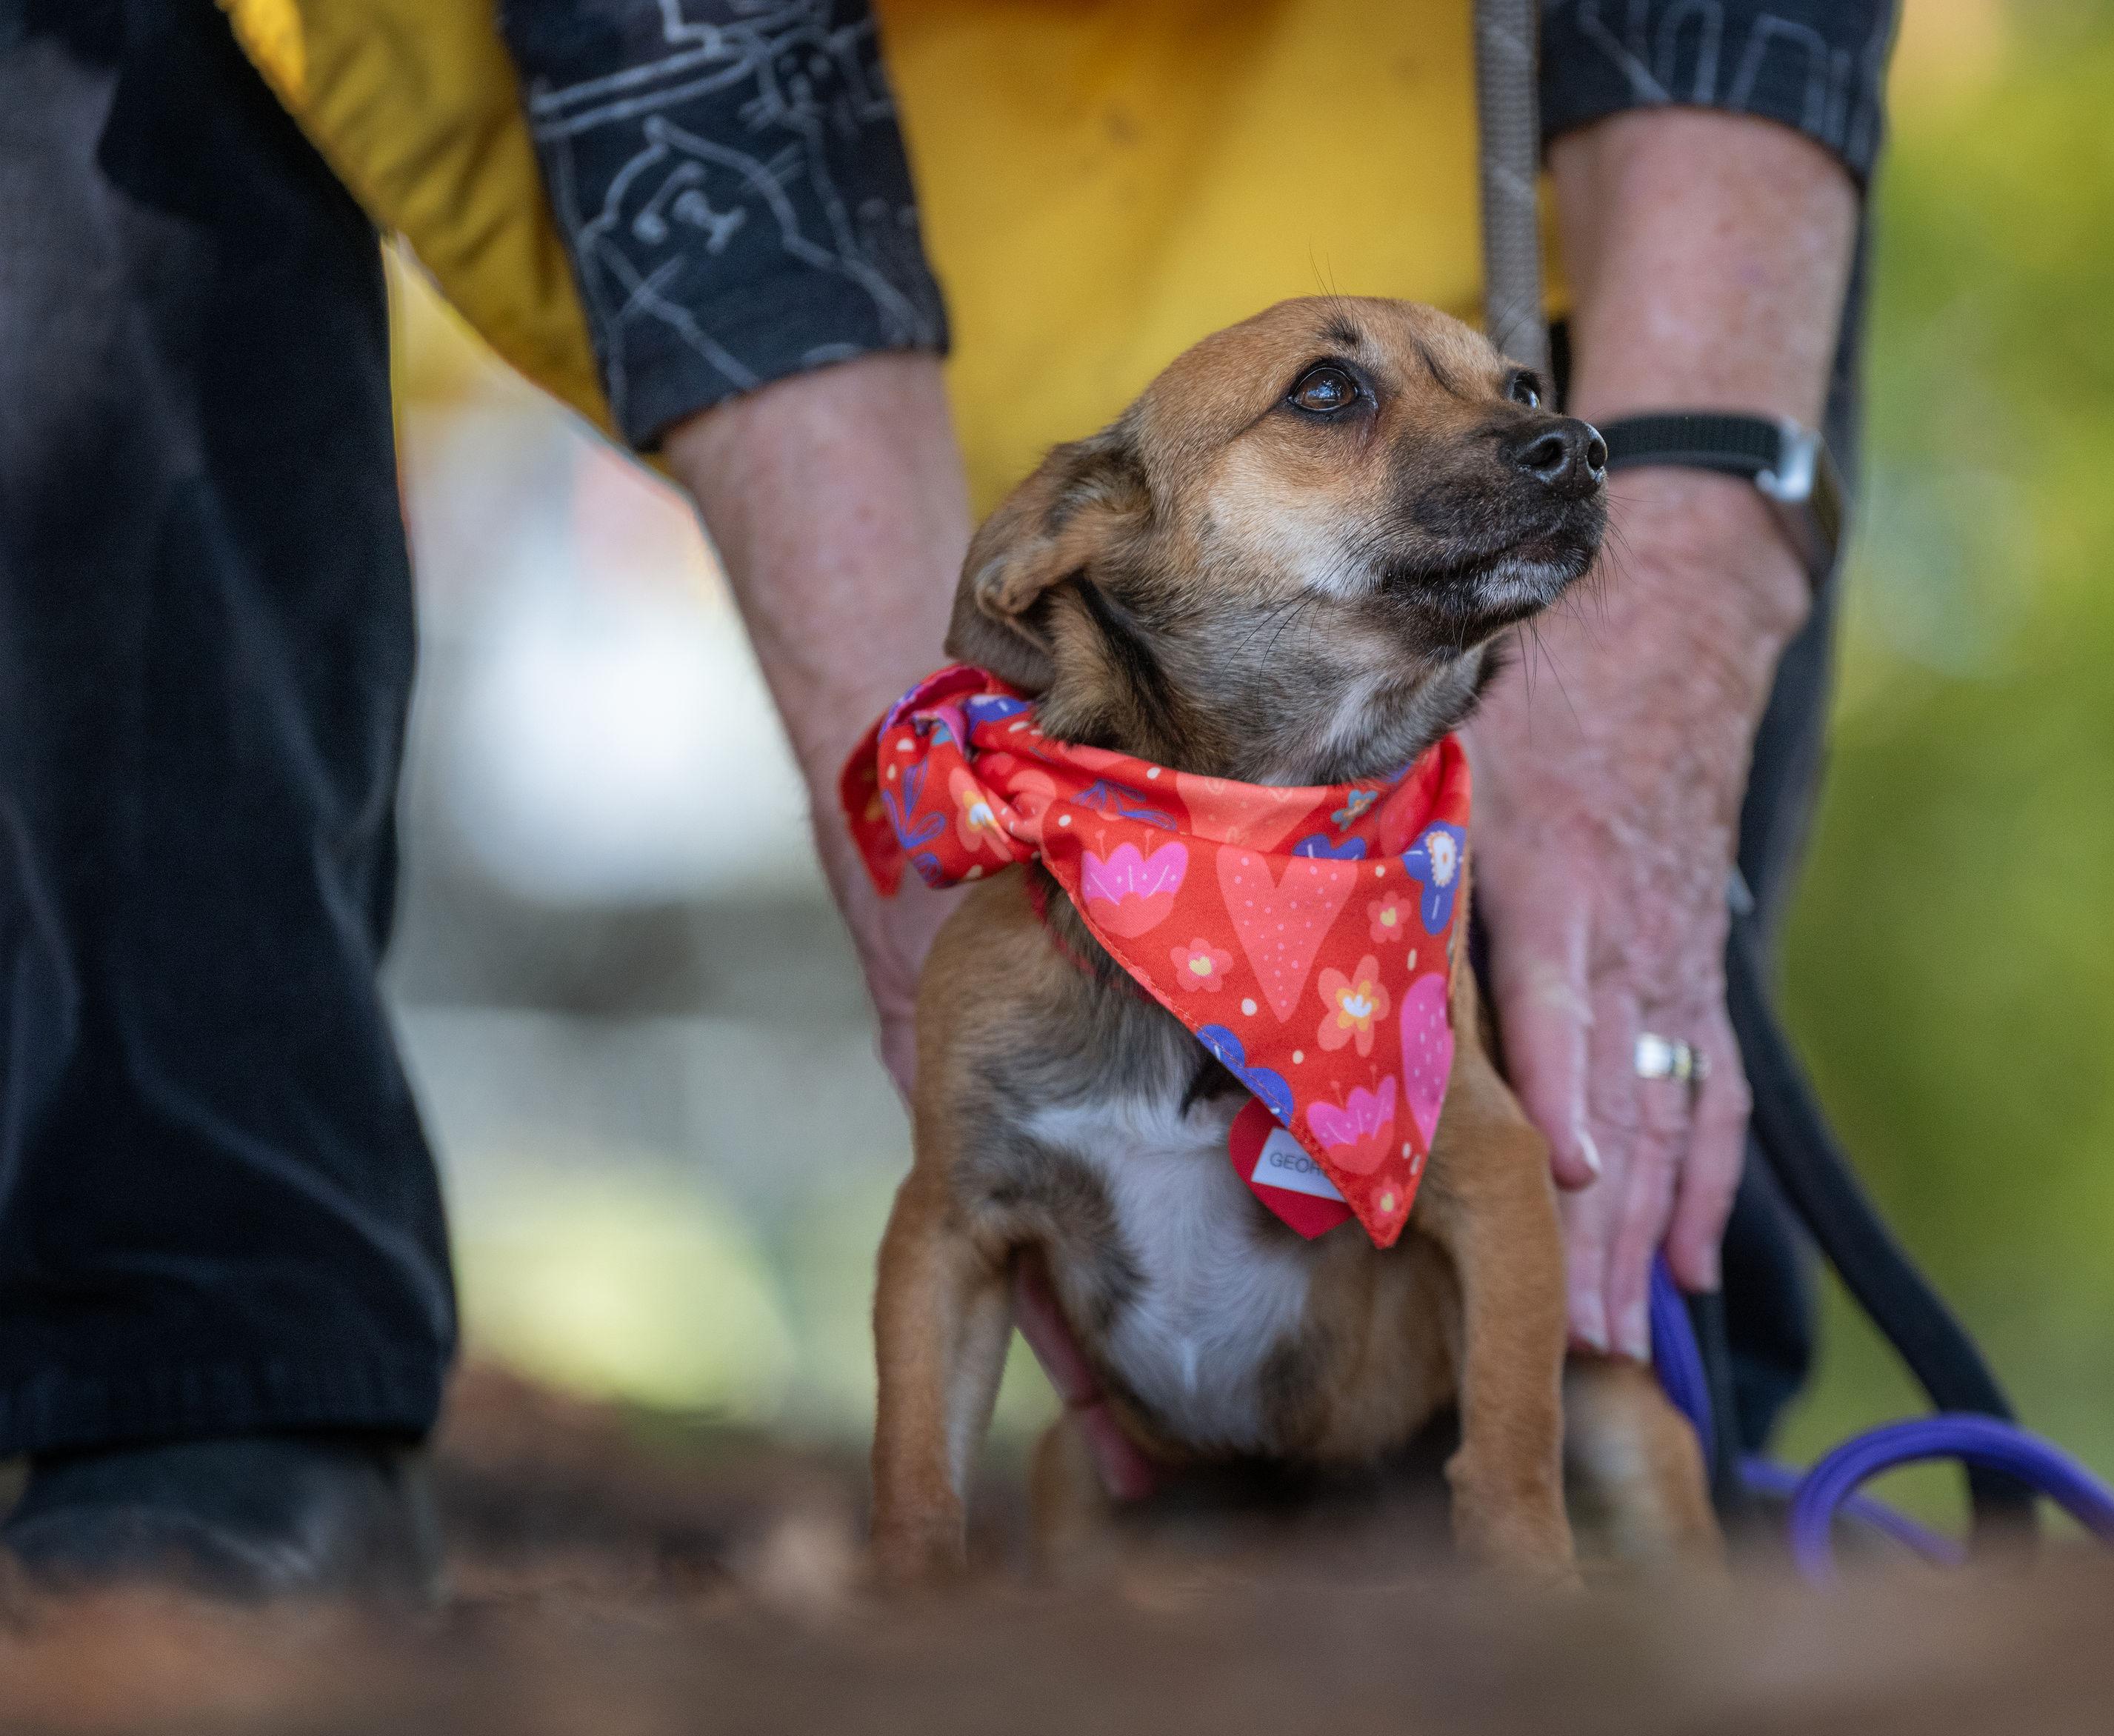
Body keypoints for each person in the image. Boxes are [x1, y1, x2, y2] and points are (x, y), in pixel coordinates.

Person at [0, 0, 1886, 1595]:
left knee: (1594, 1156)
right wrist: (923, 802)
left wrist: (1671, 623)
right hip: (719, 135)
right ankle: (213, 1371)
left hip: (1409, 115)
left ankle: (1680, 1437)